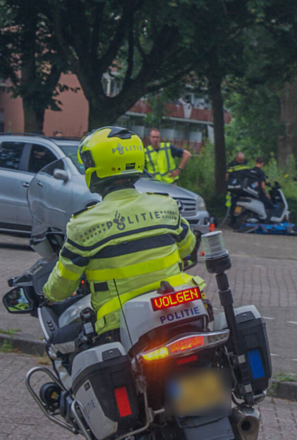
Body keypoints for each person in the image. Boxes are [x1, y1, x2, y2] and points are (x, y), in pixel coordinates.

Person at [42, 126, 202, 338]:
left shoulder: (84, 224)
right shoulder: (166, 205)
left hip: (120, 323)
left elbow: (63, 284)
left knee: (59, 345)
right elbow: (188, 247)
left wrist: (48, 294)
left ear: (96, 168)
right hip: (179, 308)